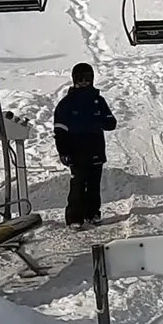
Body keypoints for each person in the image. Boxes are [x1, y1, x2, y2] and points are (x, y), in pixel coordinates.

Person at [51, 62, 118, 226]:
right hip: (76, 150)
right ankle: (75, 218)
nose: (84, 82)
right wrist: (63, 151)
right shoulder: (67, 103)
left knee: (94, 184)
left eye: (87, 78)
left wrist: (103, 120)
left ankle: (93, 213)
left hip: (95, 147)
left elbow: (111, 123)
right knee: (78, 183)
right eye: (80, 78)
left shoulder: (98, 101)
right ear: (74, 80)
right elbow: (60, 130)